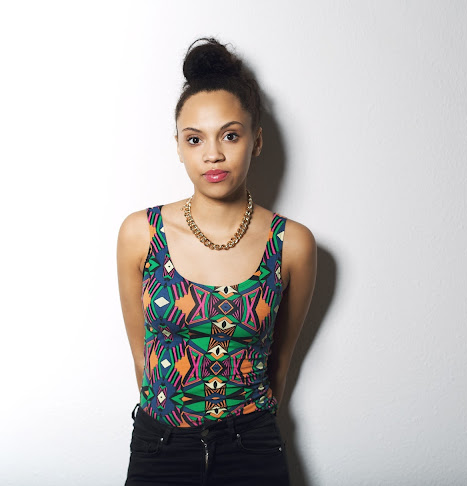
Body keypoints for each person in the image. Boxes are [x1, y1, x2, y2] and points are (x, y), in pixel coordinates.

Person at [116, 37, 317, 486]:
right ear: (179, 146)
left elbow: (280, 363)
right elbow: (142, 357)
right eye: (195, 139)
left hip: (252, 447)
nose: (213, 154)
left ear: (256, 141)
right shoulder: (140, 234)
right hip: (159, 446)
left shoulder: (292, 244)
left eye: (230, 135)